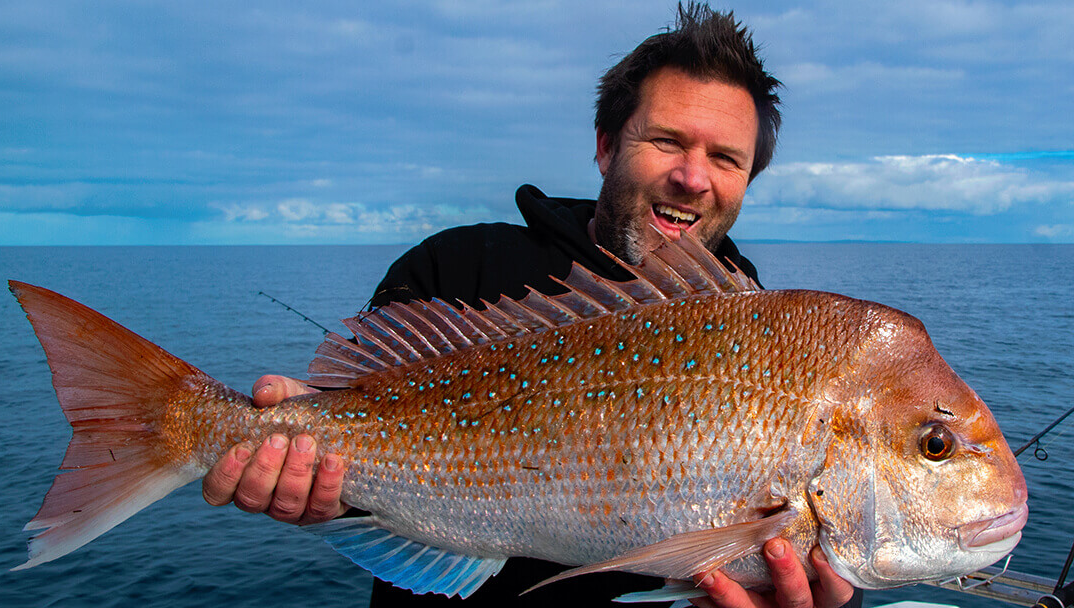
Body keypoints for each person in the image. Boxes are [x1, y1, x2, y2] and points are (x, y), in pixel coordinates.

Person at [201, 5, 859, 608]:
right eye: (666, 140)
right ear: (606, 145)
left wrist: (825, 600)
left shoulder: (772, 339)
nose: (692, 175)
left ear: (746, 180)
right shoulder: (457, 270)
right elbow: (348, 410)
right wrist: (298, 462)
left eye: (725, 157)